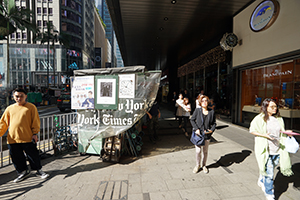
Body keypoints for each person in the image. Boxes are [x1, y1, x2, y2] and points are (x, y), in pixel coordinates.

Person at [0, 88, 49, 183]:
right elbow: (3, 123)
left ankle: (38, 170)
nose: (19, 98)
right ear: (13, 97)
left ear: (26, 96)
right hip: (13, 138)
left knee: (33, 155)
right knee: (16, 157)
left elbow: (35, 121)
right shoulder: (9, 109)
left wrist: (35, 133)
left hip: (27, 137)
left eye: (21, 96)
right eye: (17, 96)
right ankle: (23, 172)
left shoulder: (31, 107)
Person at [249, 98, 293, 200]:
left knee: (270, 168)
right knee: (270, 174)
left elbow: (280, 132)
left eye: (275, 106)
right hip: (266, 150)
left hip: (277, 149)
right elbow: (252, 130)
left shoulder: (278, 119)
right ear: (266, 107)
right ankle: (269, 194)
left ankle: (261, 179)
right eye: (272, 107)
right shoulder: (259, 118)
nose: (275, 108)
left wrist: (286, 132)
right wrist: (264, 135)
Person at [190, 95, 216, 174]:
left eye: (206, 101)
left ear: (208, 102)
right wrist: (196, 129)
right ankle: (197, 165)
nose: (204, 102)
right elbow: (192, 120)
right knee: (198, 151)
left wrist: (211, 130)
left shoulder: (211, 112)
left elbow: (214, 123)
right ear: (200, 102)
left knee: (205, 151)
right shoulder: (197, 110)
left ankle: (204, 165)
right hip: (198, 135)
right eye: (203, 101)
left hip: (207, 135)